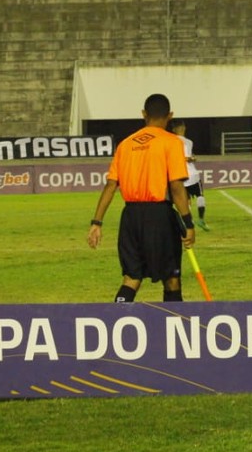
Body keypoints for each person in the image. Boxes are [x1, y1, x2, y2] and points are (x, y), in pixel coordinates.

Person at [87, 94, 195, 303]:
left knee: (131, 277)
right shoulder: (172, 142)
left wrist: (96, 222)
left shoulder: (125, 144)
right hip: (160, 216)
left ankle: (116, 317)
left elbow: (110, 185)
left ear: (144, 114)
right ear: (170, 115)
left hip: (130, 216)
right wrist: (188, 223)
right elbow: (176, 186)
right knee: (171, 278)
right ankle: (172, 323)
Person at [169, 119, 210, 231]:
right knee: (200, 195)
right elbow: (186, 157)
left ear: (173, 129)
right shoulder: (188, 142)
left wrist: (190, 158)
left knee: (185, 199)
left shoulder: (171, 141)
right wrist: (191, 158)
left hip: (179, 175)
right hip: (192, 174)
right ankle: (201, 219)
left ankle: (187, 222)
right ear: (183, 128)